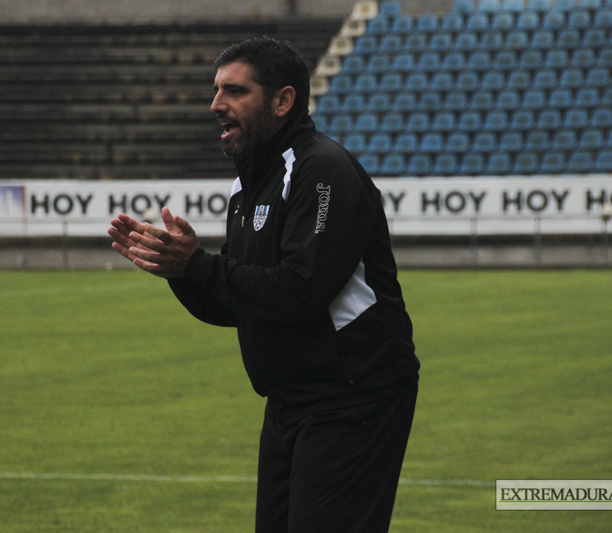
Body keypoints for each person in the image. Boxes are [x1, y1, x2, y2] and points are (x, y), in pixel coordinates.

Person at [108, 36, 420, 533]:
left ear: (283, 101)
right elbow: (239, 303)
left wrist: (199, 266)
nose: (216, 105)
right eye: (216, 91)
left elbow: (301, 291)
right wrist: (181, 271)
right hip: (289, 399)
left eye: (234, 92)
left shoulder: (323, 172)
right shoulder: (247, 184)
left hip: (354, 398)